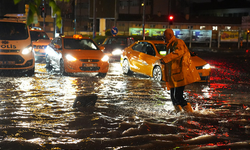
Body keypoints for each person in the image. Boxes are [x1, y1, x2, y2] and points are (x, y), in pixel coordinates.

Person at [161, 29, 201, 113]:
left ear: (170, 35)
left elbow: (178, 53)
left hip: (179, 75)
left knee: (178, 96)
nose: (163, 38)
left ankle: (190, 114)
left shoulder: (177, 42)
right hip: (174, 75)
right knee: (173, 97)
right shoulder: (171, 44)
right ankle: (178, 114)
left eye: (164, 36)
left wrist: (165, 59)